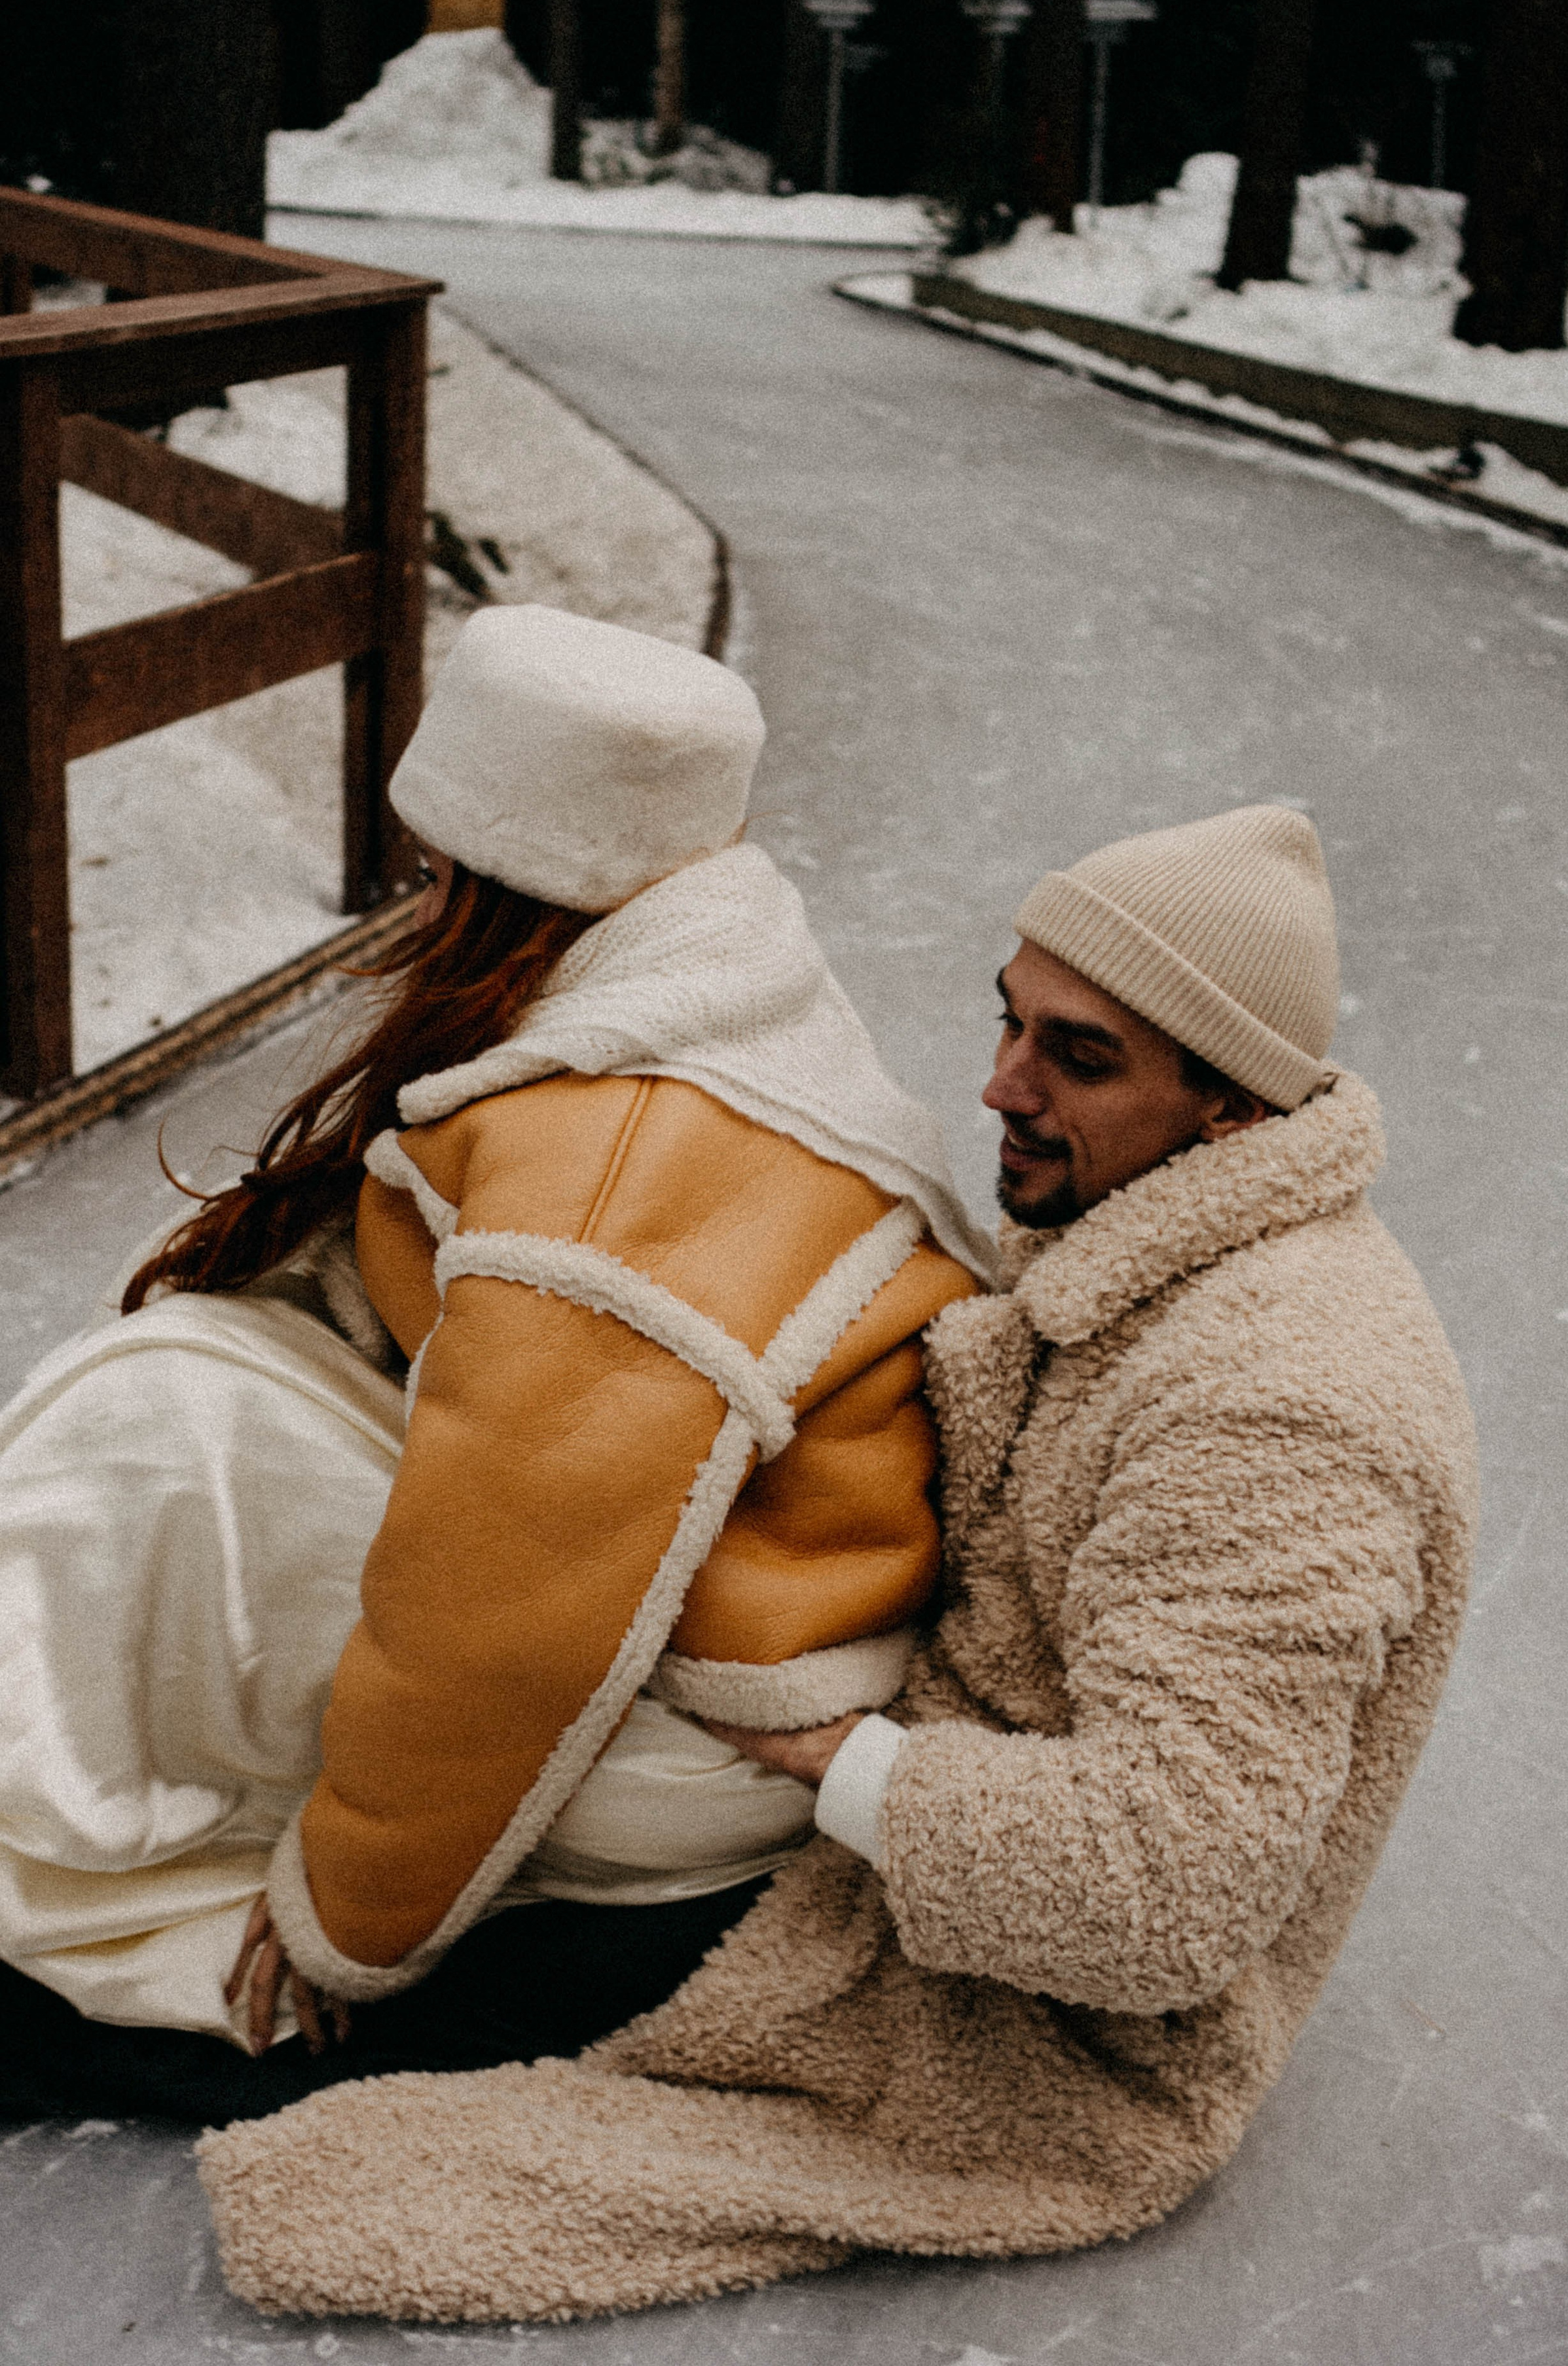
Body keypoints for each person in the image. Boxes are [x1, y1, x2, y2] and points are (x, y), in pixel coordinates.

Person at [199, 804, 1479, 2327]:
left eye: (1079, 1060)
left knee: (319, 1992)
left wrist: (834, 1757)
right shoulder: (1146, 1226)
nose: (1002, 1086)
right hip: (907, 1801)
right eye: (1009, 1023)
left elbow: (1168, 1886)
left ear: (1233, 1113)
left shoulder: (1278, 1407)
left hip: (1020, 2010)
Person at [0, 604, 989, 2124]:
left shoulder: (620, 1177)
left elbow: (507, 1623)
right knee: (179, 1395)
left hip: (686, 1748)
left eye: (443, 863)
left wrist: (351, 1920)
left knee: (158, 1436)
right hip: (692, 1630)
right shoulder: (711, 984)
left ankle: (65, 1839)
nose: (421, 896)